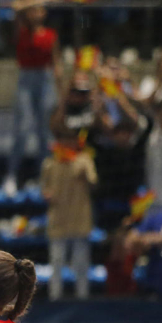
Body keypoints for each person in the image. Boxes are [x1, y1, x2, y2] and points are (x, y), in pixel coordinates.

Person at [7, 0, 62, 196]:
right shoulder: (21, 31)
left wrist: (60, 90)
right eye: (33, 10)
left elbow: (57, 64)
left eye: (39, 9)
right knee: (23, 129)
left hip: (45, 80)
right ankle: (11, 175)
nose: (35, 13)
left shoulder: (50, 35)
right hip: (26, 79)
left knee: (44, 134)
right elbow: (16, 5)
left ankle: (43, 178)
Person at [41, 129, 98, 301]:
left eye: (70, 139)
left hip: (80, 219)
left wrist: (83, 174)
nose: (67, 143)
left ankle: (83, 300)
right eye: (64, 139)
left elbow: (94, 182)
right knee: (56, 263)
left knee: (81, 265)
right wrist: (47, 194)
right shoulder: (50, 163)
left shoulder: (84, 160)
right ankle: (55, 300)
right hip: (58, 220)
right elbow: (44, 188)